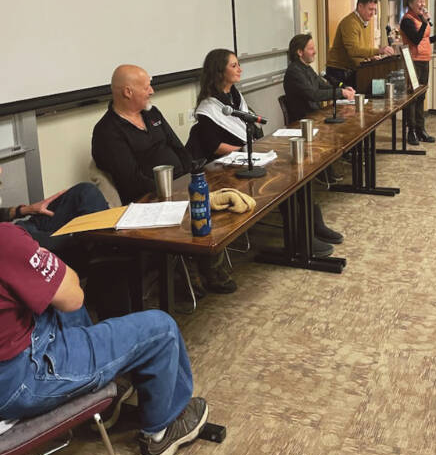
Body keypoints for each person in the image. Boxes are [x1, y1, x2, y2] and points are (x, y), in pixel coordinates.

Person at [0, 221, 208, 455]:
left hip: (10, 366)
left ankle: (99, 395)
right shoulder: (6, 239)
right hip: (21, 380)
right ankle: (160, 434)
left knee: (54, 303)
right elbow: (73, 297)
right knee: (161, 329)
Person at [92, 64, 235, 294]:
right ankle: (190, 270)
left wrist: (194, 175)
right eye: (146, 86)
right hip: (149, 198)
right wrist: (176, 192)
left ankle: (206, 263)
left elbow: (179, 148)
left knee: (213, 191)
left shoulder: (152, 114)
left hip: (179, 184)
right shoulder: (107, 132)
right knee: (197, 205)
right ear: (127, 92)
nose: (152, 91)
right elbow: (131, 180)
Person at [187, 49, 340, 254]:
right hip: (226, 169)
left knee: (296, 171)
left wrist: (255, 149)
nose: (240, 69)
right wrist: (248, 151)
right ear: (219, 72)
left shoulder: (235, 96)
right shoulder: (209, 107)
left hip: (247, 157)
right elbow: (214, 146)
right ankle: (299, 240)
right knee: (283, 180)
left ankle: (313, 224)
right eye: (234, 66)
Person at [399, 0, 436, 146]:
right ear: (411, 3)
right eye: (419, 2)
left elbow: (424, 40)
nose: (423, 5)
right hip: (413, 61)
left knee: (421, 96)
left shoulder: (419, 19)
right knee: (412, 97)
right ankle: (411, 132)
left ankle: (421, 130)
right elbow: (415, 40)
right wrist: (424, 21)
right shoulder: (407, 20)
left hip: (424, 59)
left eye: (423, 1)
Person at [0, 175, 107, 254]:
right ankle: (91, 244)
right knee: (73, 241)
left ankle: (92, 242)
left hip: (20, 227)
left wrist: (26, 209)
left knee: (86, 190)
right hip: (9, 238)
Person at [326, 0, 394, 88]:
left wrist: (370, 58)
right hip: (340, 71)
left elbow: (361, 49)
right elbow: (353, 50)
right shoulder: (351, 23)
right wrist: (379, 50)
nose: (373, 13)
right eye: (370, 9)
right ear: (360, 7)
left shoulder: (365, 22)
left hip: (352, 69)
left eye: (375, 10)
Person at [284, 33, 355, 123]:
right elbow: (313, 95)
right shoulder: (294, 72)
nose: (315, 52)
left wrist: (343, 89)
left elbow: (323, 85)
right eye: (311, 49)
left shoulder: (307, 68)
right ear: (300, 52)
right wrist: (341, 92)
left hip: (315, 116)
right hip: (304, 122)